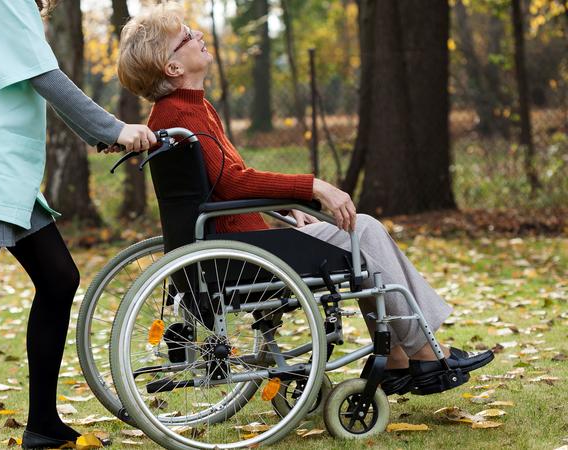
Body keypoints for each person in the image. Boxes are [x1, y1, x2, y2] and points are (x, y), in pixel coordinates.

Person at [115, 2, 493, 397]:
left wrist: (285, 205)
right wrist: (311, 186)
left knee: (362, 230)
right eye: (187, 37)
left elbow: (222, 184)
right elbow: (233, 182)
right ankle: (424, 354)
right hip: (240, 255)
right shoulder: (181, 114)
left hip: (237, 246)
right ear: (173, 68)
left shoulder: (189, 109)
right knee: (361, 231)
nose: (199, 36)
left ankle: (401, 356)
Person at [0, 1, 157, 449]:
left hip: (5, 168)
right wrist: (111, 127)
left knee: (59, 278)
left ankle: (42, 424)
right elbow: (40, 73)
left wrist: (99, 133)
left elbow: (34, 71)